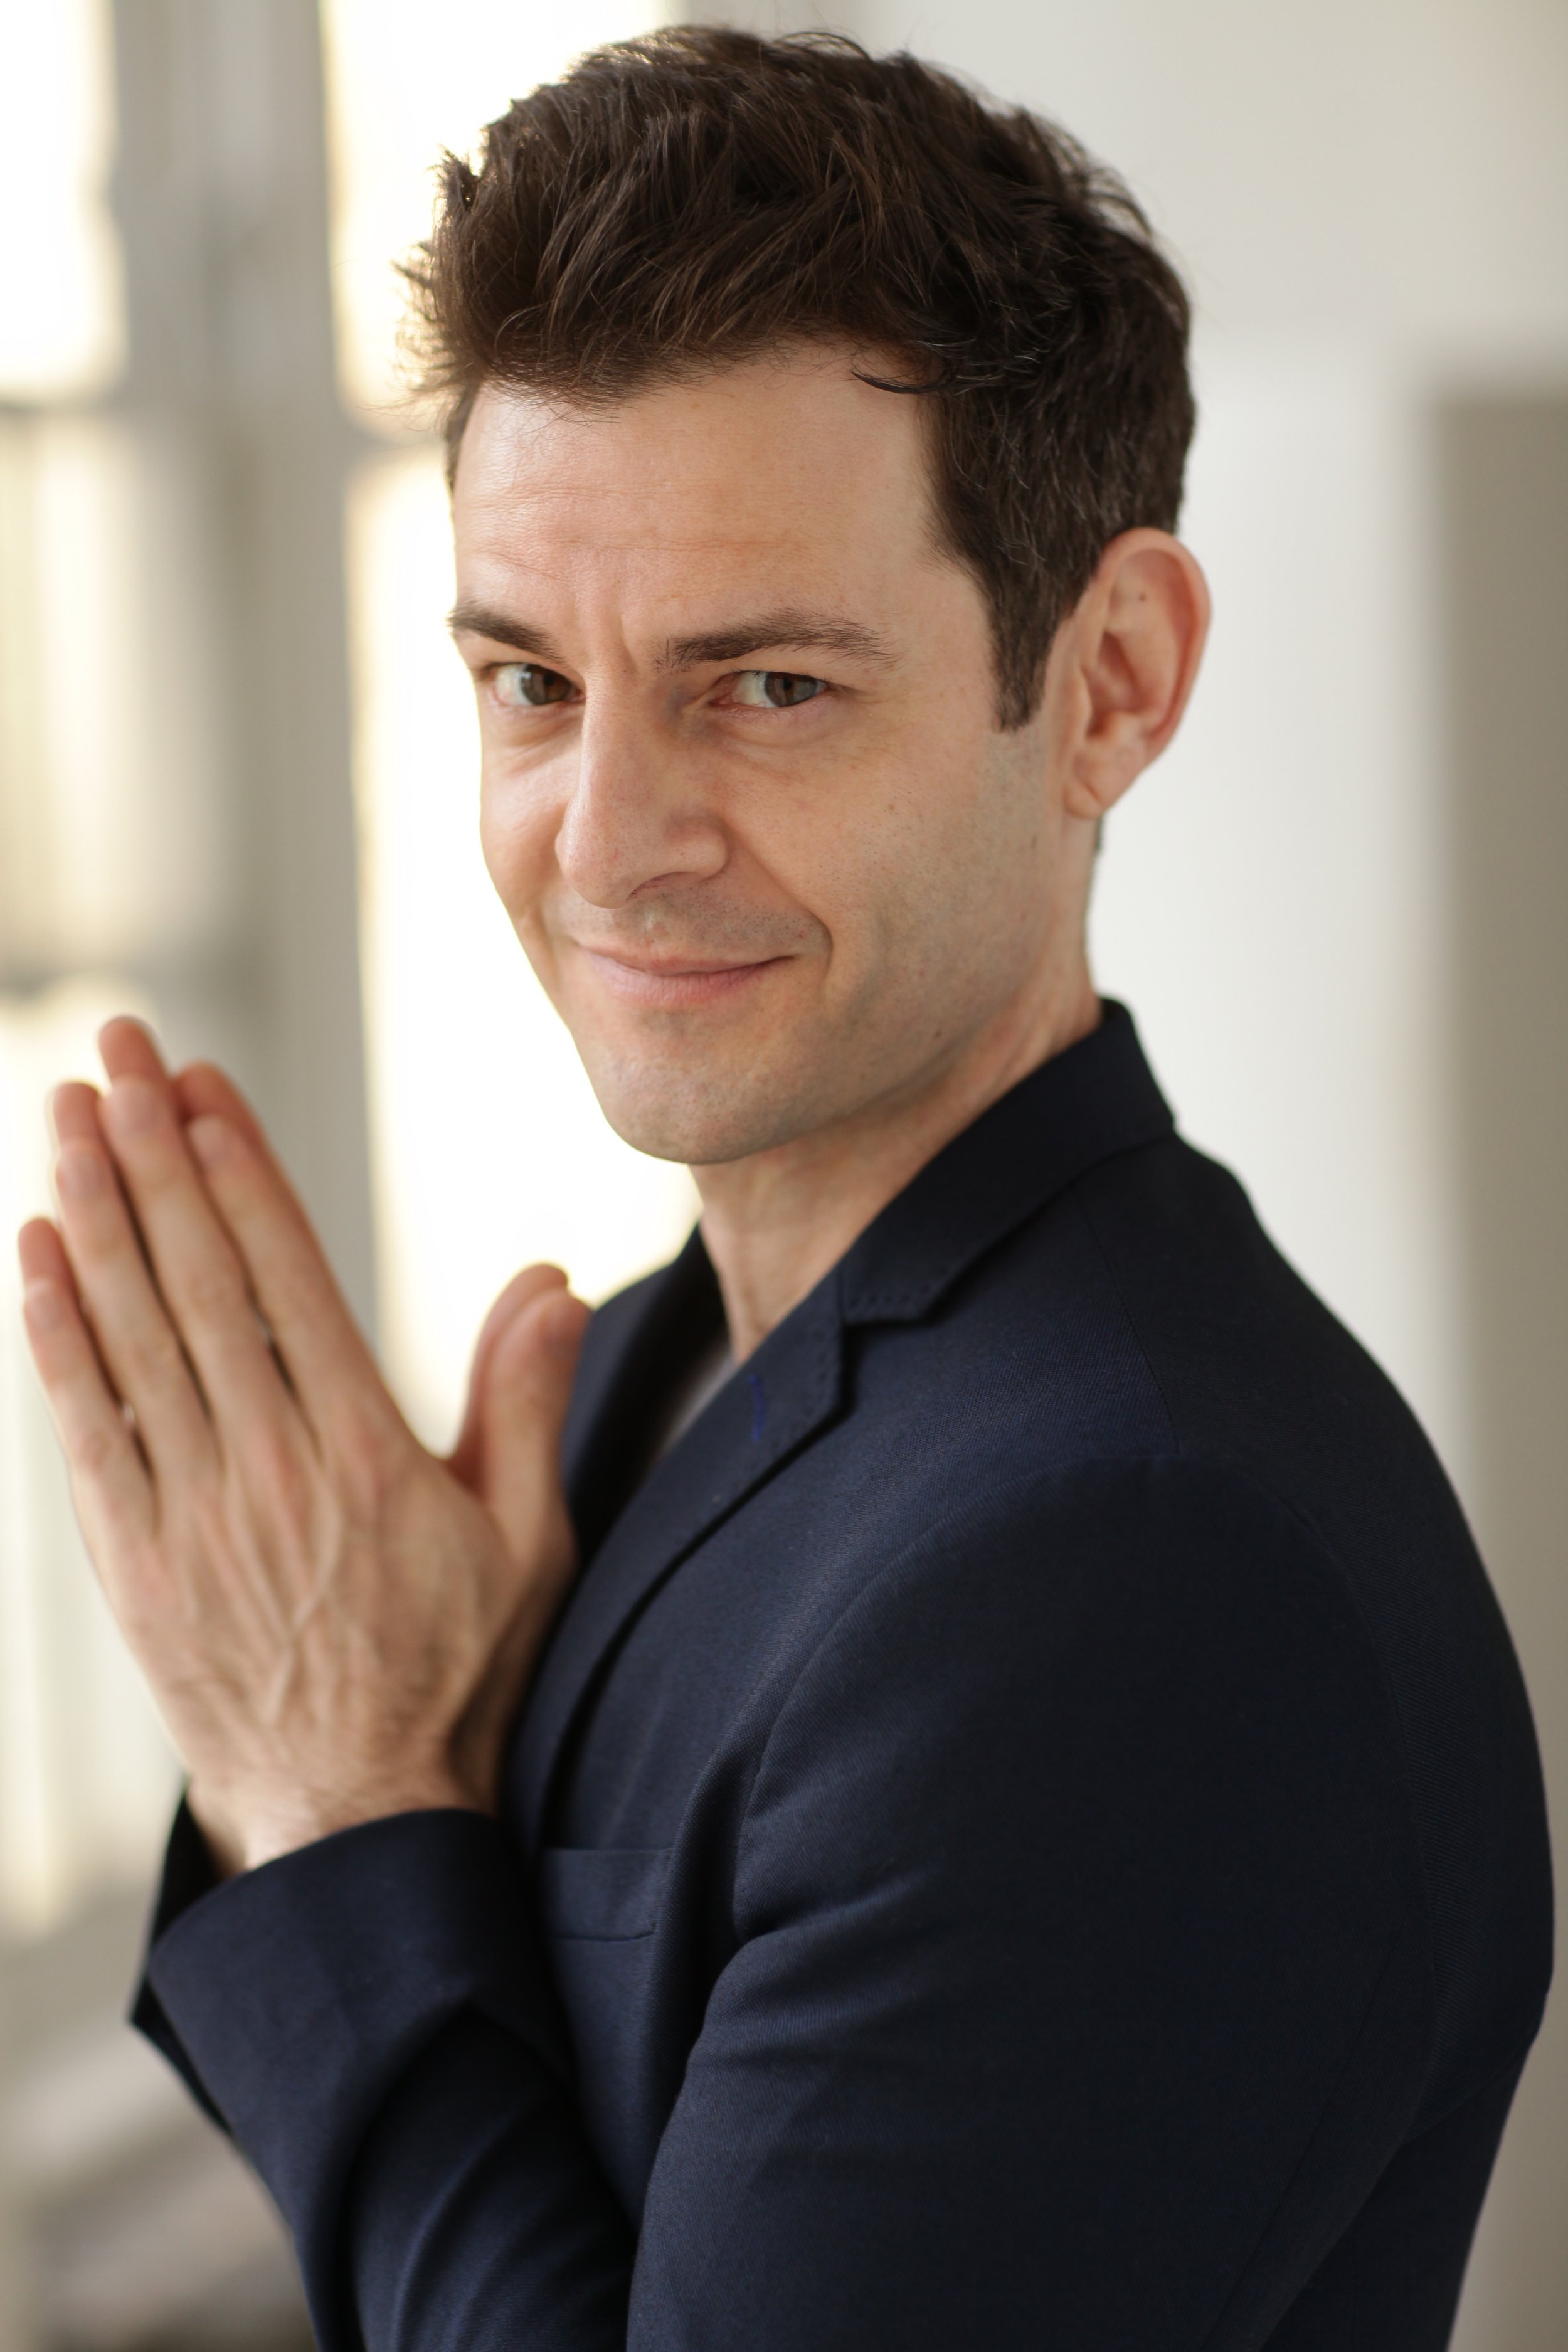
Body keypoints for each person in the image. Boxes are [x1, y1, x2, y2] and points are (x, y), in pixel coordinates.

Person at [16, 28, 1550, 2350]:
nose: (603, 842)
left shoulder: (1136, 1569)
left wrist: (337, 1797)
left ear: (1110, 680)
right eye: (530, 682)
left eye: (762, 690)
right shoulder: (659, 1376)